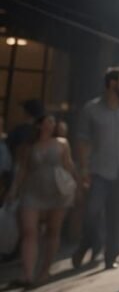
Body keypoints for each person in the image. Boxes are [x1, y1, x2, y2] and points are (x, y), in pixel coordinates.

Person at [73, 66, 119, 270]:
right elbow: (82, 140)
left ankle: (111, 255)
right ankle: (90, 242)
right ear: (112, 83)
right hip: (99, 171)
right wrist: (83, 169)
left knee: (117, 216)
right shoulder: (92, 109)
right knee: (91, 212)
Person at [5, 113, 78, 287]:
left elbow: (69, 165)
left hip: (57, 192)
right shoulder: (29, 147)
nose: (52, 124)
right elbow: (22, 170)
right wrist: (13, 190)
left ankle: (45, 270)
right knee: (29, 231)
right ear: (39, 125)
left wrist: (77, 185)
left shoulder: (62, 143)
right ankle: (28, 275)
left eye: (54, 121)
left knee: (53, 231)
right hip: (32, 192)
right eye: (48, 121)